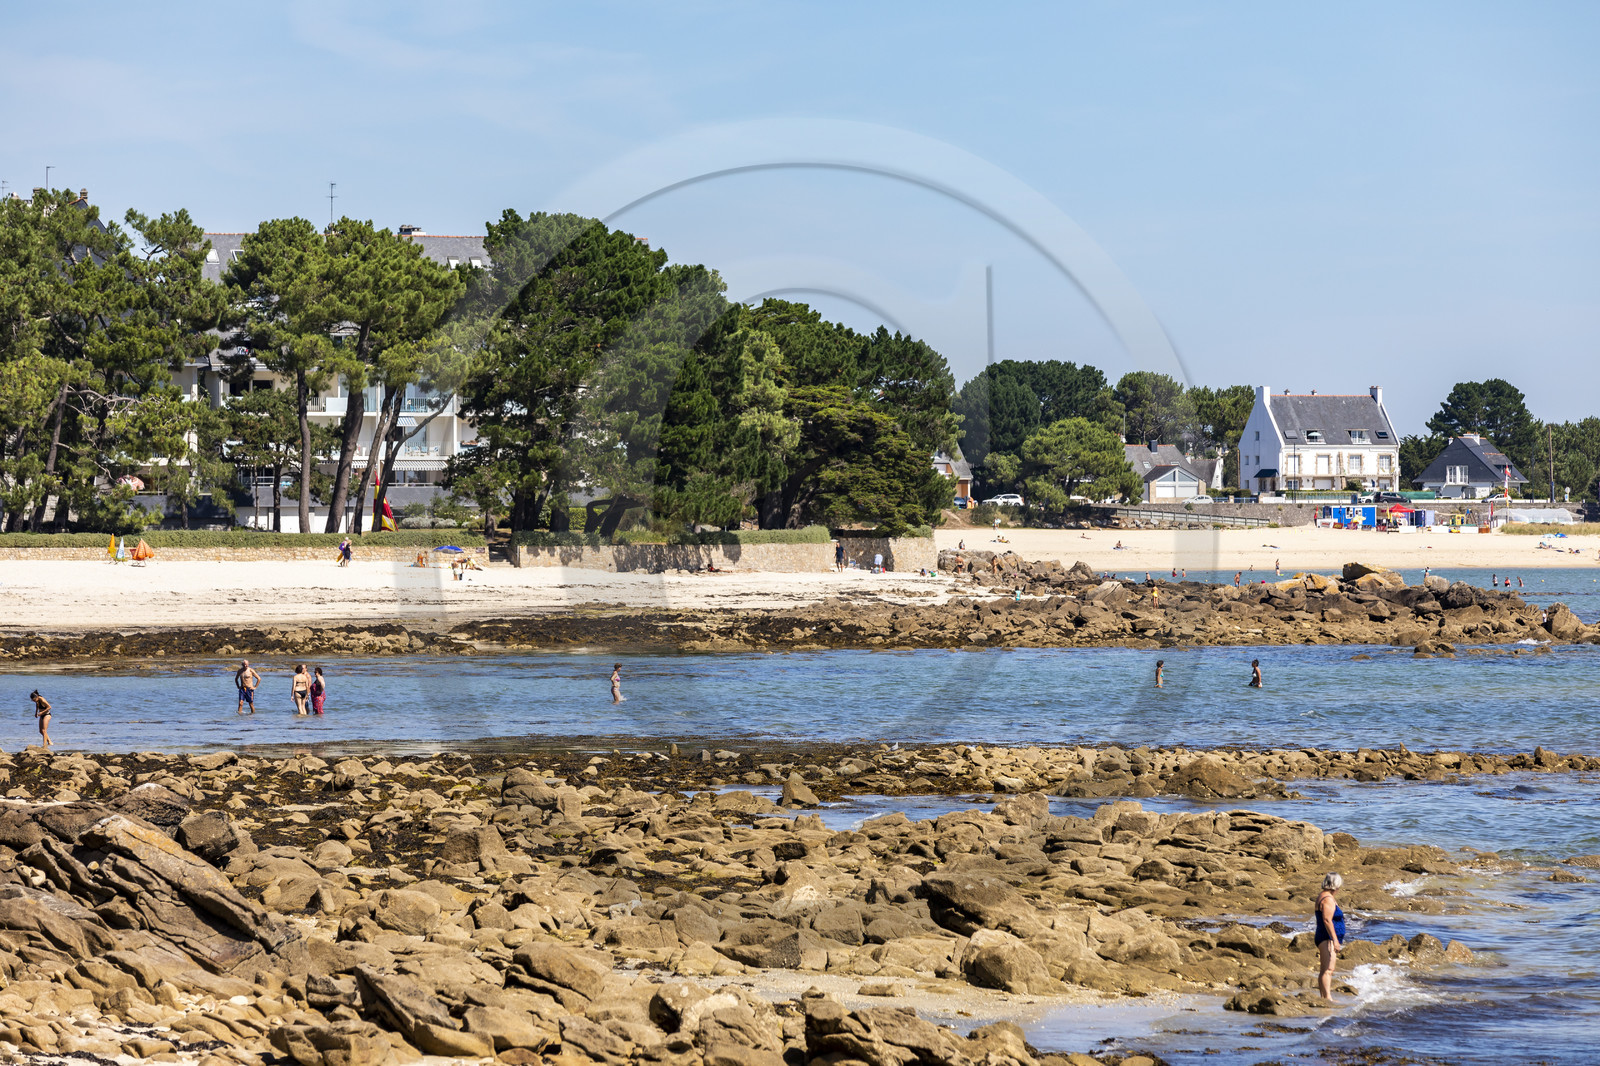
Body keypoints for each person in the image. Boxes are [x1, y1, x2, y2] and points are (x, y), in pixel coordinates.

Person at [1315, 872, 1346, 999]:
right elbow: (1327, 920)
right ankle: (1328, 998)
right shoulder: (1327, 898)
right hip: (1327, 937)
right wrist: (1335, 940)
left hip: (1325, 936)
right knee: (1328, 970)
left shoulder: (1324, 896)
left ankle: (1324, 997)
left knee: (1325, 970)